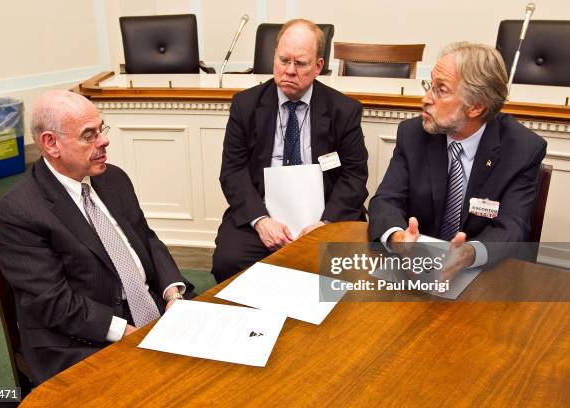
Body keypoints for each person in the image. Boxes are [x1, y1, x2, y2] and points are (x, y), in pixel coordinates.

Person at [0, 90, 193, 384]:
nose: (104, 141)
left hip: (151, 306)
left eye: (101, 130)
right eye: (89, 135)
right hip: (81, 338)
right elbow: (52, 302)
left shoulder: (113, 178)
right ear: (51, 143)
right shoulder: (19, 211)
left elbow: (147, 239)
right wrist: (127, 333)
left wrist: (172, 294)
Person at [368, 42, 547, 278]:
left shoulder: (522, 149)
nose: (425, 99)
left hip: (482, 276)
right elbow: (386, 201)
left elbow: (512, 227)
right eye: (429, 85)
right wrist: (398, 238)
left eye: (440, 90)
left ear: (476, 107)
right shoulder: (413, 134)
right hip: (414, 268)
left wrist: (469, 254)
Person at [212, 19, 368, 283]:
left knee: (349, 270)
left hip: (324, 214)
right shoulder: (245, 105)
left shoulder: (344, 110)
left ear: (318, 66)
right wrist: (261, 221)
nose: (289, 71)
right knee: (229, 262)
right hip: (264, 211)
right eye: (283, 60)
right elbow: (233, 171)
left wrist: (324, 225)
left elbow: (354, 176)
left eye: (301, 63)